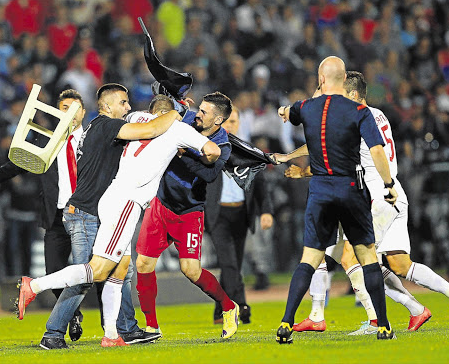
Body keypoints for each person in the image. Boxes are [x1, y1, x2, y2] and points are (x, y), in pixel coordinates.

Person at [16, 88, 221, 348]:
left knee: (121, 269)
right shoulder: (133, 125)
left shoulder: (134, 117)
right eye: (122, 102)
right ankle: (34, 288)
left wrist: (171, 113)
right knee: (95, 271)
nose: (127, 106)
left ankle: (113, 333)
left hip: (105, 200)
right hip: (119, 203)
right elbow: (212, 150)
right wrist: (185, 130)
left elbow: (150, 126)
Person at [286, 71, 449, 334]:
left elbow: (334, 155)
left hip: (376, 196)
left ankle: (374, 321)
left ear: (351, 95)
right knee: (399, 264)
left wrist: (301, 169)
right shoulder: (377, 114)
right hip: (395, 193)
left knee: (353, 255)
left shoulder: (356, 115)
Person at [273, 56, 398, 343]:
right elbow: (377, 151)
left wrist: (282, 109)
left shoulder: (306, 107)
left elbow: (287, 112)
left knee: (310, 258)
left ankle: (286, 322)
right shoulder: (358, 110)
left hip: (319, 189)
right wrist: (388, 183)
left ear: (321, 78)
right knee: (366, 255)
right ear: (345, 79)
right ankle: (383, 326)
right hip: (351, 187)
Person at [0, 89, 88, 342]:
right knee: (54, 272)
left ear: (83, 112)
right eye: (63, 108)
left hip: (86, 216)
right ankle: (73, 315)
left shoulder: (92, 138)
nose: (69, 113)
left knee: (96, 272)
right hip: (56, 217)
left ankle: (114, 327)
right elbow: (21, 162)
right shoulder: (47, 140)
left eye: (74, 108)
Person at [135, 92, 240, 340]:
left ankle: (228, 306)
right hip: (161, 203)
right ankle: (151, 326)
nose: (198, 114)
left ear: (218, 120)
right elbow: (164, 107)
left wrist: (185, 153)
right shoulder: (188, 120)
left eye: (205, 112)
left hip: (189, 211)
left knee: (191, 270)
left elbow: (210, 175)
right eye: (199, 108)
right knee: (143, 263)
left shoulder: (223, 145)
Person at [204, 106, 274, 325]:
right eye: (227, 121)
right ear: (219, 123)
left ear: (239, 124)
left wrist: (266, 210)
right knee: (230, 262)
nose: (231, 125)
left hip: (241, 213)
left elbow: (261, 184)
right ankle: (241, 304)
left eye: (234, 121)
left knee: (232, 263)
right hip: (218, 213)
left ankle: (219, 309)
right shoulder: (209, 149)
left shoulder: (247, 150)